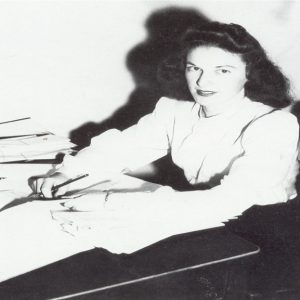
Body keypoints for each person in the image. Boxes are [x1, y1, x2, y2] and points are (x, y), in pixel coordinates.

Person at [32, 21, 299, 252]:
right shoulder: (175, 110)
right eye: (194, 68)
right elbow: (124, 148)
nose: (203, 82)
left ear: (249, 74)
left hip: (264, 230)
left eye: (223, 71)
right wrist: (69, 173)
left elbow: (229, 201)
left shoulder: (275, 124)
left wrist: (109, 202)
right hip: (198, 215)